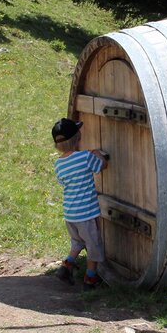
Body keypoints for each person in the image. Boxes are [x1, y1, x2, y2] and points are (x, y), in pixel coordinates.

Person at [51, 117, 109, 290]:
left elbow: (63, 182)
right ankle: (90, 278)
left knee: (77, 242)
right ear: (78, 137)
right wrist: (97, 153)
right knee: (93, 245)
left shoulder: (59, 164)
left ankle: (66, 266)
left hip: (70, 213)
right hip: (87, 214)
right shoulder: (85, 157)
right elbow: (101, 166)